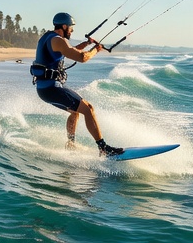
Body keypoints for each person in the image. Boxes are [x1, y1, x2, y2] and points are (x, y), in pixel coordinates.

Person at [31, 12, 124, 156]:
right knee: (88, 109)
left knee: (75, 112)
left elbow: (70, 50)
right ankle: (103, 148)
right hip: (51, 89)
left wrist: (87, 44)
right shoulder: (58, 40)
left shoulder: (49, 37)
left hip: (44, 90)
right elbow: (81, 57)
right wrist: (95, 50)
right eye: (71, 28)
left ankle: (71, 144)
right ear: (64, 26)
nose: (72, 31)